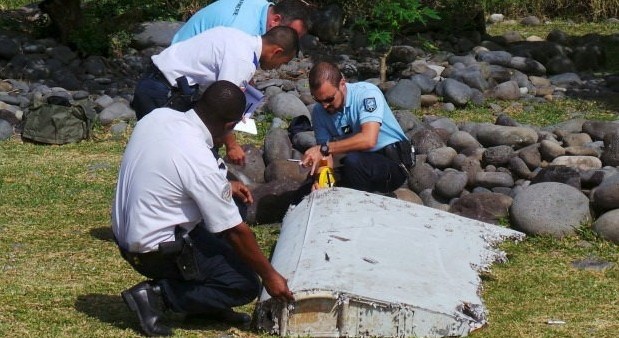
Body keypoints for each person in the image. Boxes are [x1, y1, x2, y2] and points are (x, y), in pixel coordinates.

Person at [113, 80, 294, 337]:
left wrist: (225, 185)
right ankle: (156, 296)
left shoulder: (158, 116)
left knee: (233, 215)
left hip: (127, 234)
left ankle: (205, 305)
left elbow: (172, 170)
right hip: (154, 251)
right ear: (230, 125)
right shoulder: (197, 157)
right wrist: (270, 276)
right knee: (242, 284)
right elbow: (236, 232)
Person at [131, 25, 298, 165]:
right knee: (168, 155)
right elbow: (223, 107)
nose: (277, 68)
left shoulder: (238, 36)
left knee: (159, 149)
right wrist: (232, 146)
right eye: (282, 62)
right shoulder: (243, 60)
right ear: (277, 51)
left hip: (154, 81)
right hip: (164, 92)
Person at [300, 61, 414, 194]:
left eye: (329, 99)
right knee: (308, 189)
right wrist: (321, 181)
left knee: (353, 162)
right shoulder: (319, 112)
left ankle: (362, 207)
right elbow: (325, 156)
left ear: (342, 84)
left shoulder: (366, 94)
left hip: (392, 165)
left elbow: (369, 140)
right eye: (319, 100)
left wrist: (325, 148)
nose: (325, 105)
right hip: (359, 162)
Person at [171, 0, 310, 44]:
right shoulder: (243, 33)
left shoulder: (261, 4)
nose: (291, 44)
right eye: (292, 35)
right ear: (275, 20)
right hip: (177, 75)